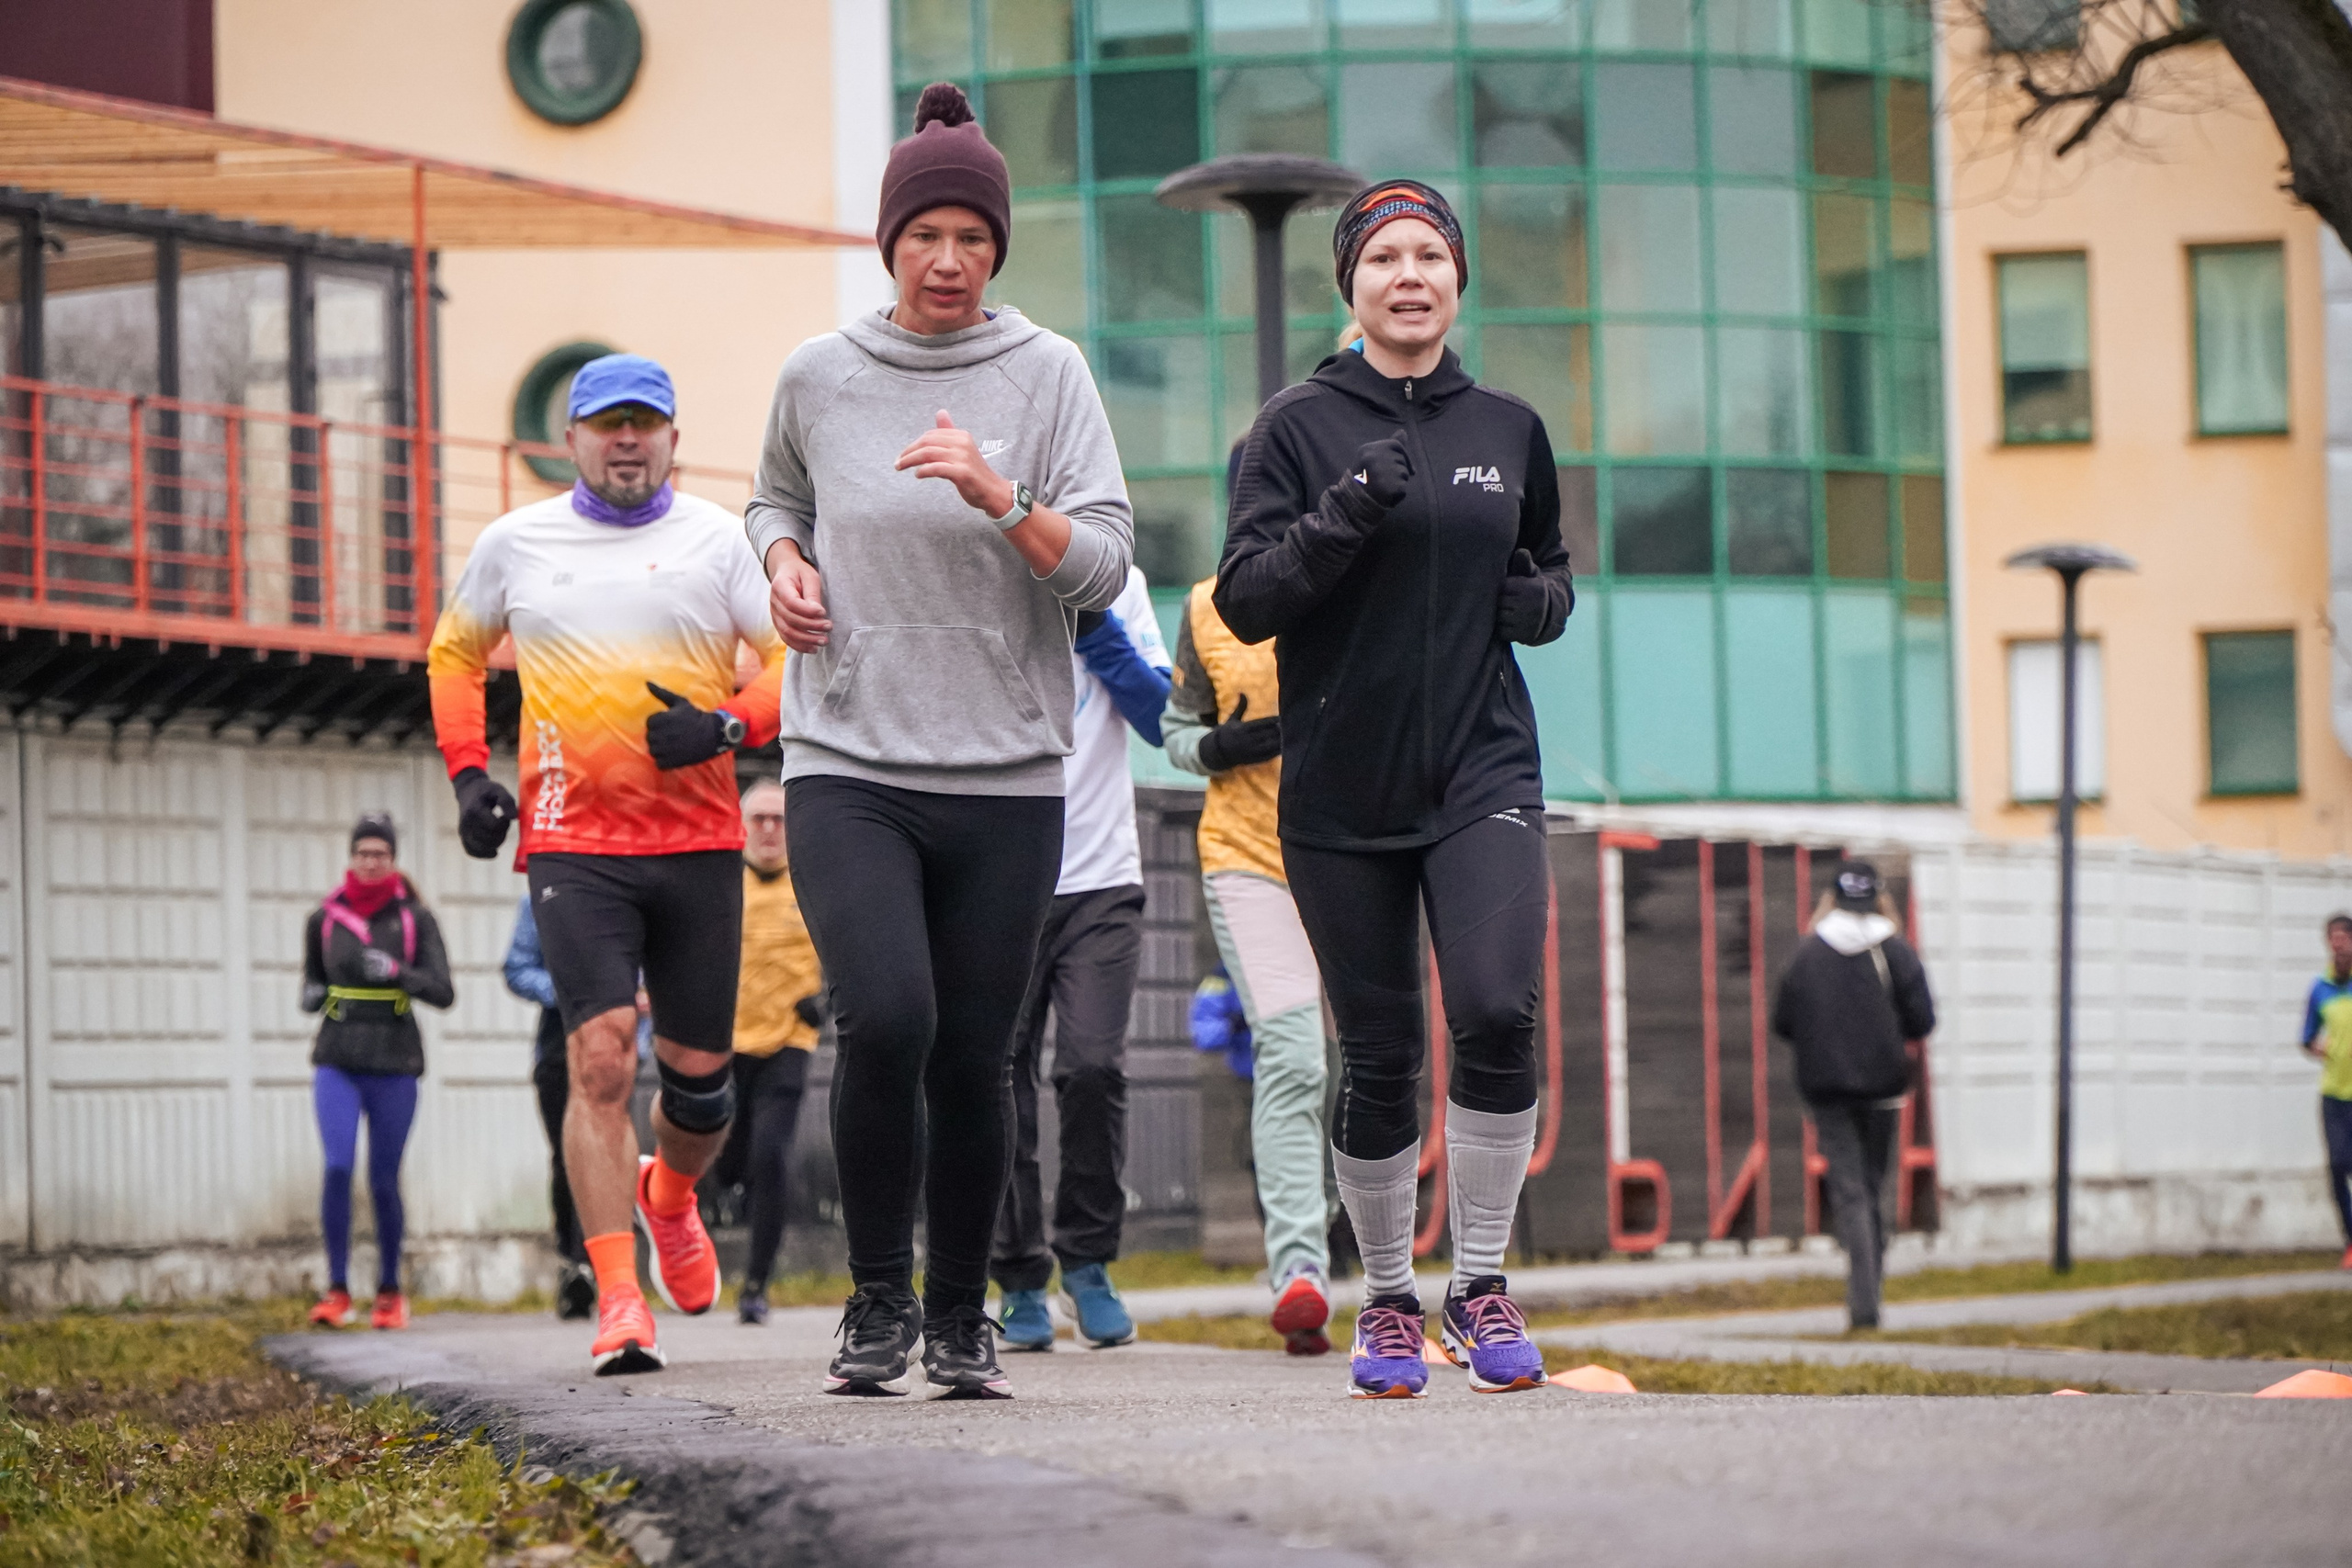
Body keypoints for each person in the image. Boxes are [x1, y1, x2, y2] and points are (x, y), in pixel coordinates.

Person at [746, 82, 1133, 1399]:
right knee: (888, 1017)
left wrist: (1000, 493)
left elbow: (1102, 561)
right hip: (848, 758)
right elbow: (772, 495)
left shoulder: (1050, 373)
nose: (952, 259)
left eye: (974, 237)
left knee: (978, 1052)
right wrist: (784, 561)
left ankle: (962, 1313)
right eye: (928, 236)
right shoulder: (820, 372)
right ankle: (873, 1301)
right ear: (890, 243)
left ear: (999, 249)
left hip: (1008, 775)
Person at [1215, 180, 1574, 1398]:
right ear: (1350, 284)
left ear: (1459, 279)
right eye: (1385, 257)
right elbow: (1246, 598)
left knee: (1496, 1007)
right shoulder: (1293, 427)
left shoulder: (1509, 427)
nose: (1409, 274)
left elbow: (1552, 570)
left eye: (1431, 254)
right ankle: (1387, 1301)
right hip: (1338, 792)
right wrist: (1343, 514)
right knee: (1376, 1056)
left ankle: (1479, 1285)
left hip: (1482, 767)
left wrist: (1540, 604)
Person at [427, 352, 786, 1376]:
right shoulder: (516, 543)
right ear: (572, 440)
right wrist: (467, 774)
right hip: (571, 841)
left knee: (701, 1092)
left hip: (697, 842)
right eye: (605, 424)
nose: (625, 440)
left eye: (645, 423)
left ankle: (669, 1196)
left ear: (671, 437)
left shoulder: (719, 542)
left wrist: (724, 726)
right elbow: (455, 653)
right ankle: (620, 1300)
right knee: (597, 1060)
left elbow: (786, 663)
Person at [992, 565, 1170, 1353]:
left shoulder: (1116, 578)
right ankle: (1020, 1275)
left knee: (1093, 1067)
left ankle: (1089, 1262)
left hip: (1102, 880)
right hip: (998, 879)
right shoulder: (979, 567)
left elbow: (1164, 716)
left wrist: (1098, 628)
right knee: (998, 1075)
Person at [1164, 575, 1336, 1356]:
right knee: (1295, 1057)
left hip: (1357, 855)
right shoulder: (1206, 607)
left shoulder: (1363, 581)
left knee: (1375, 1059)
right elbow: (1174, 727)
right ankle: (1301, 1266)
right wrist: (1214, 747)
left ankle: (1398, 1273)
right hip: (1248, 858)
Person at [301, 814, 453, 1331]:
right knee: (338, 1167)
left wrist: (398, 974)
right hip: (337, 1060)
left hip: (395, 1063)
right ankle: (337, 1290)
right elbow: (312, 979)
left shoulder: (414, 919)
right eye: (362, 853)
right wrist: (311, 995)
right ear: (351, 857)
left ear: (393, 860)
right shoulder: (324, 918)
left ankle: (389, 1291)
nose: (371, 862)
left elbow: (444, 991)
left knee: (383, 1179)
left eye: (380, 854)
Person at [1770, 862, 1937, 1330]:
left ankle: (1864, 1305)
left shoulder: (1808, 953)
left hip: (1825, 1091)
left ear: (1832, 899)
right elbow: (1923, 1020)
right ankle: (1869, 1299)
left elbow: (1782, 1022)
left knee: (1849, 1190)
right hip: (1885, 1091)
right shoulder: (1896, 951)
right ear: (1880, 899)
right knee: (1874, 1186)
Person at [718, 779, 825, 1325]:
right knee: (727, 1158)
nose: (767, 829)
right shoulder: (719, 885)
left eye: (778, 819)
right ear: (741, 825)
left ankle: (756, 1283)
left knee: (770, 1156)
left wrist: (826, 998)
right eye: (758, 818)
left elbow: (855, 946)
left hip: (788, 1041)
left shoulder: (813, 882)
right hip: (725, 1043)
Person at [503, 896, 596, 1320]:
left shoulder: (629, 886)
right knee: (566, 1159)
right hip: (558, 1049)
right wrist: (568, 991)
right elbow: (517, 969)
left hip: (617, 1047)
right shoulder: (539, 900)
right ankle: (571, 1263)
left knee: (605, 1157)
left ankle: (597, 1266)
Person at [2298, 913, 2352, 1269]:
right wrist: (2321, 1049)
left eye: (2344, 936)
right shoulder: (2320, 987)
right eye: (2333, 937)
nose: (2339, 942)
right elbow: (2306, 1038)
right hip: (2334, 1094)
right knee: (2338, 1165)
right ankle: (2351, 1240)